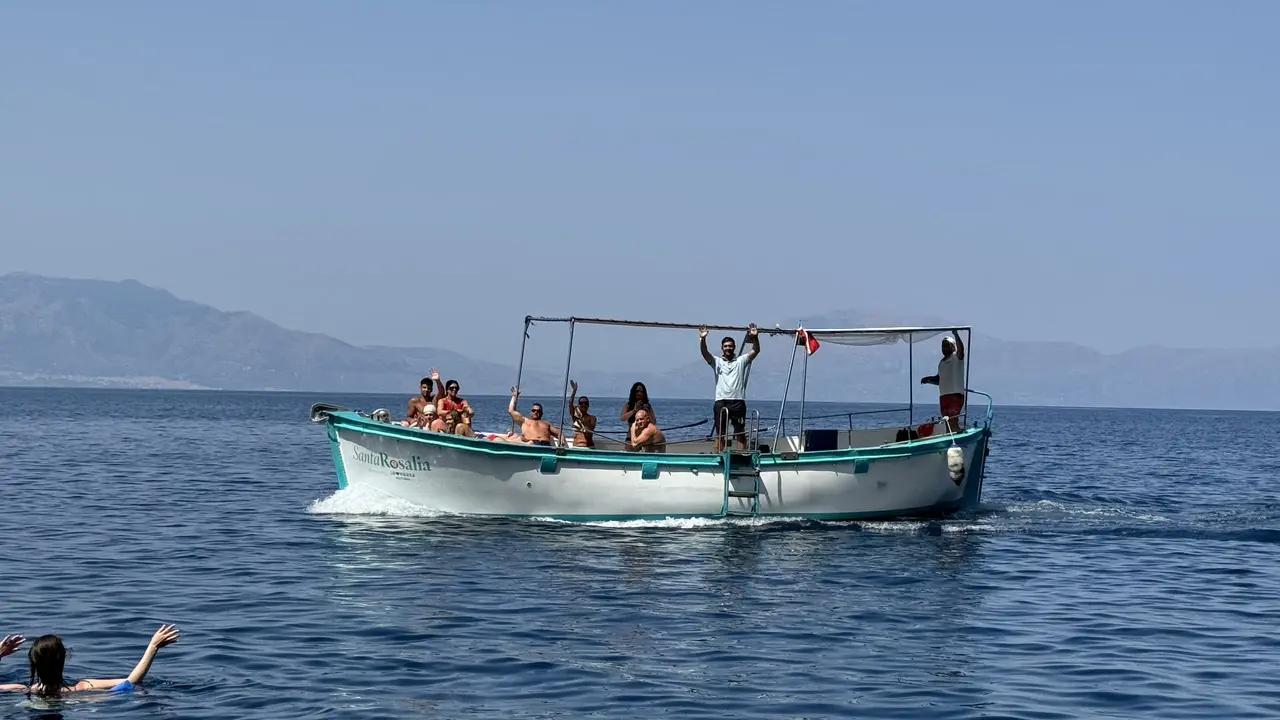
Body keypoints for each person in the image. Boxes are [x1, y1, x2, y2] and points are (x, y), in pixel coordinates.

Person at [0, 624, 179, 695]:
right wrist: (153, 646)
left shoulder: (22, 691)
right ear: (63, 658)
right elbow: (130, 682)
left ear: (33, 663)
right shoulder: (82, 688)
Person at [699, 323, 760, 451]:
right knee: (720, 433)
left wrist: (755, 337)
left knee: (740, 432)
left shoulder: (741, 361)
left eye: (730, 346)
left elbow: (755, 351)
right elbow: (705, 353)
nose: (728, 348)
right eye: (726, 346)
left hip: (738, 401)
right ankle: (719, 457)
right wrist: (703, 339)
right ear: (722, 348)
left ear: (734, 347)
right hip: (721, 401)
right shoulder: (717, 362)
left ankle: (741, 456)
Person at [920, 329, 966, 433]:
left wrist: (956, 334)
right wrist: (929, 379)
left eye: (947, 345)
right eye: (943, 346)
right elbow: (940, 379)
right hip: (944, 396)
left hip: (955, 395)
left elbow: (961, 349)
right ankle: (949, 441)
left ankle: (957, 441)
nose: (944, 347)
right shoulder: (942, 362)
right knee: (947, 422)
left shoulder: (956, 357)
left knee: (953, 421)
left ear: (953, 346)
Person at [568, 380, 596, 448]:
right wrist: (574, 391)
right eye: (581, 403)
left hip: (589, 447)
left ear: (588, 405)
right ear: (578, 405)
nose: (583, 405)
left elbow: (591, 427)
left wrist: (582, 418)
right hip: (577, 446)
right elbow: (570, 403)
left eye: (586, 403)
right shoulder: (575, 418)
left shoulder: (592, 418)